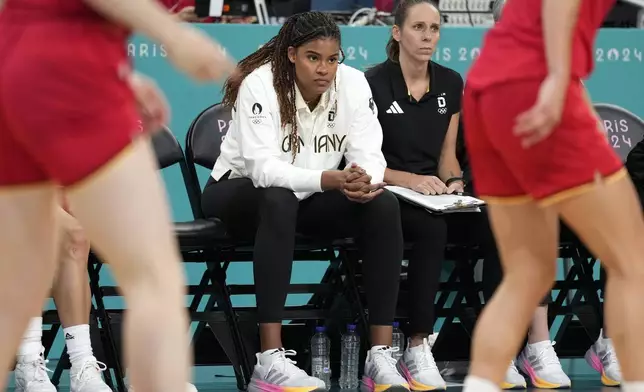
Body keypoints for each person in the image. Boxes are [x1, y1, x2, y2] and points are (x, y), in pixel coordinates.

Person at [0, 0, 234, 391]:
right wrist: (175, 36)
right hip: (70, 65)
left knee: (13, 292)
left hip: (16, 61)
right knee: (153, 280)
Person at [201, 11, 409, 392]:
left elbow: (370, 153)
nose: (325, 69)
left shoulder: (355, 84)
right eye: (314, 57)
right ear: (293, 54)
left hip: (311, 197)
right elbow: (263, 170)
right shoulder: (260, 84)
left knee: (382, 205)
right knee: (279, 199)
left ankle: (380, 355)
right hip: (238, 194)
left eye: (332, 59)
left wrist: (364, 179)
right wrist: (330, 178)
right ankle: (269, 359)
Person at [460, 0, 644, 391]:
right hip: (537, 80)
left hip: (488, 91)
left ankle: (481, 383)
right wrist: (559, 77)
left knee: (529, 273)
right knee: (632, 259)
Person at [364, 1, 462, 390]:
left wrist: (455, 184)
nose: (427, 36)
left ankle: (504, 349)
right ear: (397, 32)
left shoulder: (451, 82)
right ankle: (418, 345)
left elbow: (447, 157)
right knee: (431, 229)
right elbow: (362, 159)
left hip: (433, 193)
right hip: (385, 190)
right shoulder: (370, 83)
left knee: (494, 221)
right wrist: (408, 180)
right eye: (418, 27)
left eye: (434, 28)